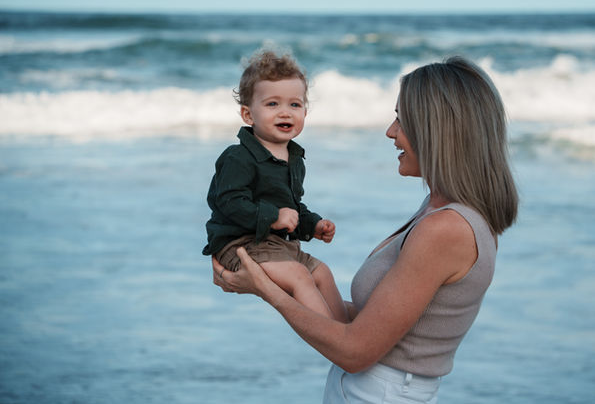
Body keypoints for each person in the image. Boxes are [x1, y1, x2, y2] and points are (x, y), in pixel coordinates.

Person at [212, 56, 519, 403]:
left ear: (436, 130)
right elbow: (375, 323)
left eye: (402, 119)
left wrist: (268, 290)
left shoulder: (447, 227)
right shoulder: (439, 208)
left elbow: (354, 352)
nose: (391, 131)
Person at [204, 50, 348, 322]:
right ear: (248, 114)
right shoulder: (238, 157)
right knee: (299, 276)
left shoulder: (293, 158)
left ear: (305, 110)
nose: (285, 112)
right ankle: (333, 338)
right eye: (272, 104)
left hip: (277, 245)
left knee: (322, 273)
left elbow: (292, 208)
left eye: (295, 104)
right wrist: (274, 217)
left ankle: (349, 333)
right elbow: (229, 202)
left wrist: (313, 224)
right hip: (241, 245)